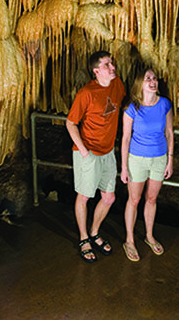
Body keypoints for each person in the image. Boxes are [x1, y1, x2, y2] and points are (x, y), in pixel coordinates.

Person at [66, 50, 126, 263]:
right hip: (88, 152)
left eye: (112, 64)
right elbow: (70, 122)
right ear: (96, 71)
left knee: (109, 197)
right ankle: (83, 239)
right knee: (84, 196)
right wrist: (83, 150)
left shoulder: (117, 84)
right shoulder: (86, 93)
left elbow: (122, 105)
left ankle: (94, 232)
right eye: (108, 65)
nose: (113, 68)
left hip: (108, 151)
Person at [119, 69, 174, 262]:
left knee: (151, 199)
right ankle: (129, 240)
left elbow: (169, 133)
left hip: (159, 158)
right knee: (134, 200)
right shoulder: (132, 107)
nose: (152, 82)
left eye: (154, 78)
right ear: (140, 84)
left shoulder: (165, 104)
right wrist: (124, 167)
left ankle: (149, 236)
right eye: (147, 79)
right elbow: (125, 139)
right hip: (137, 159)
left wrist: (170, 160)